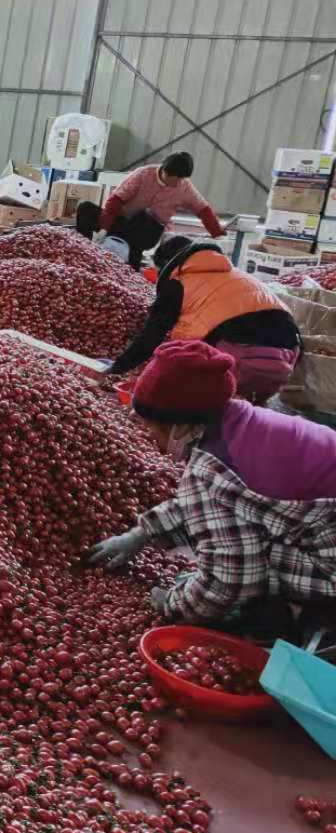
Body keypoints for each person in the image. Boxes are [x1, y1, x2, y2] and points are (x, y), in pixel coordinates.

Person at [88, 340, 336, 629]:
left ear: (179, 426)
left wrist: (173, 604)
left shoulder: (213, 469)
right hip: (325, 525)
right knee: (231, 536)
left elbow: (229, 579)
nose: (148, 436)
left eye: (151, 426)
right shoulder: (243, 421)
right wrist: (143, 533)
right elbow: (218, 504)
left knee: (248, 567)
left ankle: (288, 618)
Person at [106, 235, 300, 400]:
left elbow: (152, 335)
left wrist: (118, 367)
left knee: (193, 394)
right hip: (286, 359)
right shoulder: (237, 276)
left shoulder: (178, 282)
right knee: (245, 413)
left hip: (238, 358)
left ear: (168, 266)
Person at [97, 152, 226, 269]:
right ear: (165, 171)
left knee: (143, 217)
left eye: (181, 179)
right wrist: (104, 227)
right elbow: (116, 199)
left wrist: (217, 233)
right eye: (177, 178)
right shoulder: (143, 175)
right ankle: (90, 252)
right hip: (124, 223)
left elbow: (202, 209)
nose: (179, 183)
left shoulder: (184, 187)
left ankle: (131, 266)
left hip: (149, 232)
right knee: (86, 208)